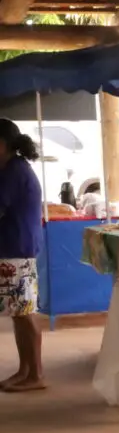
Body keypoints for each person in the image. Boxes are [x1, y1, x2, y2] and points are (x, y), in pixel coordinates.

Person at [0, 120, 44, 393]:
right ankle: (25, 370)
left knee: (25, 314)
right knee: (18, 313)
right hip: (12, 248)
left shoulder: (14, 170)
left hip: (18, 249)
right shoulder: (9, 168)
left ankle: (36, 374)